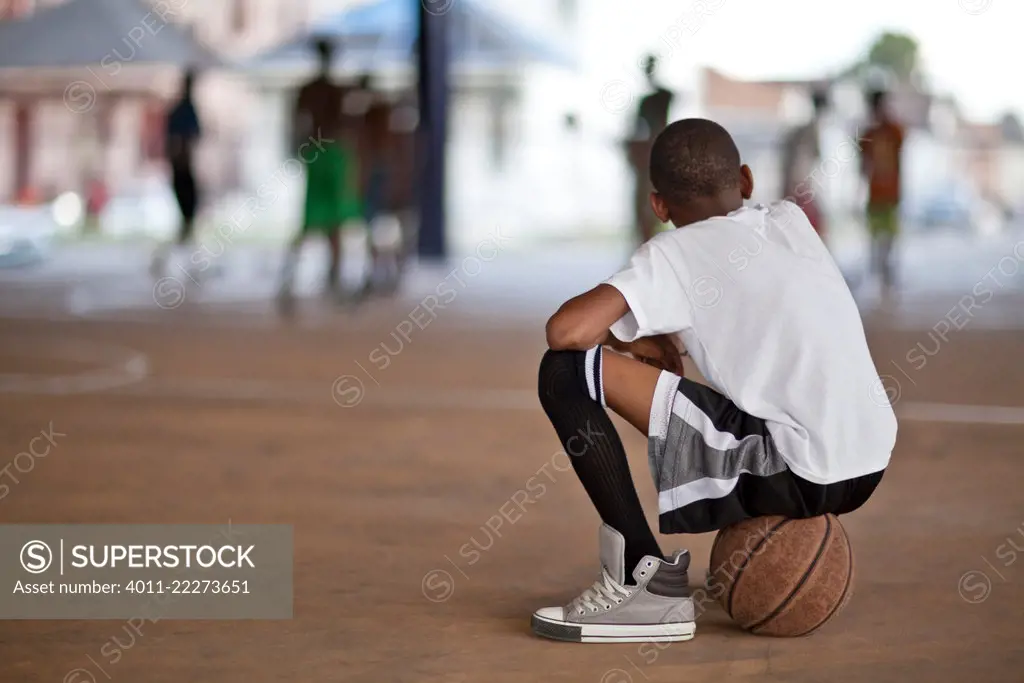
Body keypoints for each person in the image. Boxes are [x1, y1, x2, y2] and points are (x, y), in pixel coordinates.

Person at [532, 118, 896, 643]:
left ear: (660, 207)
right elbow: (752, 307)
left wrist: (626, 341)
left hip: (802, 469)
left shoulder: (673, 253)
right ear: (745, 181)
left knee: (564, 371)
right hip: (869, 459)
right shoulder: (790, 221)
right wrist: (649, 339)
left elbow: (565, 330)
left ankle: (646, 586)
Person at [278, 38, 362, 308]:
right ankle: (306, 279)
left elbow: (298, 123)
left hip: (323, 154)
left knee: (323, 222)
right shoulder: (329, 91)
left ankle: (326, 279)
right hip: (328, 154)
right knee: (325, 222)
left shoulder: (320, 90)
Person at [151, 68, 202, 277]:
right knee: (187, 219)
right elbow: (183, 141)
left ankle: (182, 262)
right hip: (182, 170)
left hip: (183, 168)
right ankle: (177, 261)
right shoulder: (184, 111)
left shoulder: (183, 110)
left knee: (187, 221)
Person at [860, 89, 905, 296]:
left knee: (889, 240)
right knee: (876, 239)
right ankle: (880, 276)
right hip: (876, 196)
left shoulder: (893, 130)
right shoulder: (868, 134)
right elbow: (862, 166)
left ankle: (887, 277)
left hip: (890, 196)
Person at [626, 55, 674, 246]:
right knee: (642, 204)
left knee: (654, 204)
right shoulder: (645, 103)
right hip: (645, 158)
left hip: (656, 157)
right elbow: (637, 129)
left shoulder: (663, 97)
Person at [781, 88, 828, 239]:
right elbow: (800, 163)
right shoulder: (808, 132)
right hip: (799, 187)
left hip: (800, 187)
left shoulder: (810, 129)